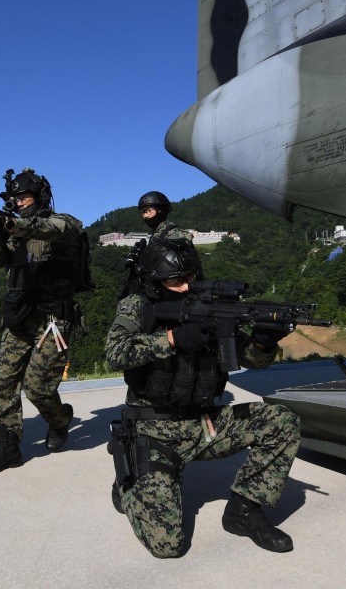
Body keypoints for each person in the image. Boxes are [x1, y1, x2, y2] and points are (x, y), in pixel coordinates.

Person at [105, 237, 299, 558]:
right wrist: (172, 338)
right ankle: (129, 481)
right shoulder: (137, 306)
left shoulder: (211, 304)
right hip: (154, 430)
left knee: (281, 422)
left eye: (190, 277)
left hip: (205, 423)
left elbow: (249, 359)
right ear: (155, 282)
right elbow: (116, 352)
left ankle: (243, 512)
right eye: (175, 281)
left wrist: (264, 342)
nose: (185, 287)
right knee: (168, 547)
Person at [0, 168, 85, 472]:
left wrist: (13, 224)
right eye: (15, 199)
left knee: (38, 389)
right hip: (20, 313)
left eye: (25, 197)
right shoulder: (13, 229)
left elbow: (50, 230)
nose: (19, 202)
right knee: (3, 382)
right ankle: (8, 448)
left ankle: (60, 421)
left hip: (53, 318)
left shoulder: (65, 222)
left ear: (41, 197)